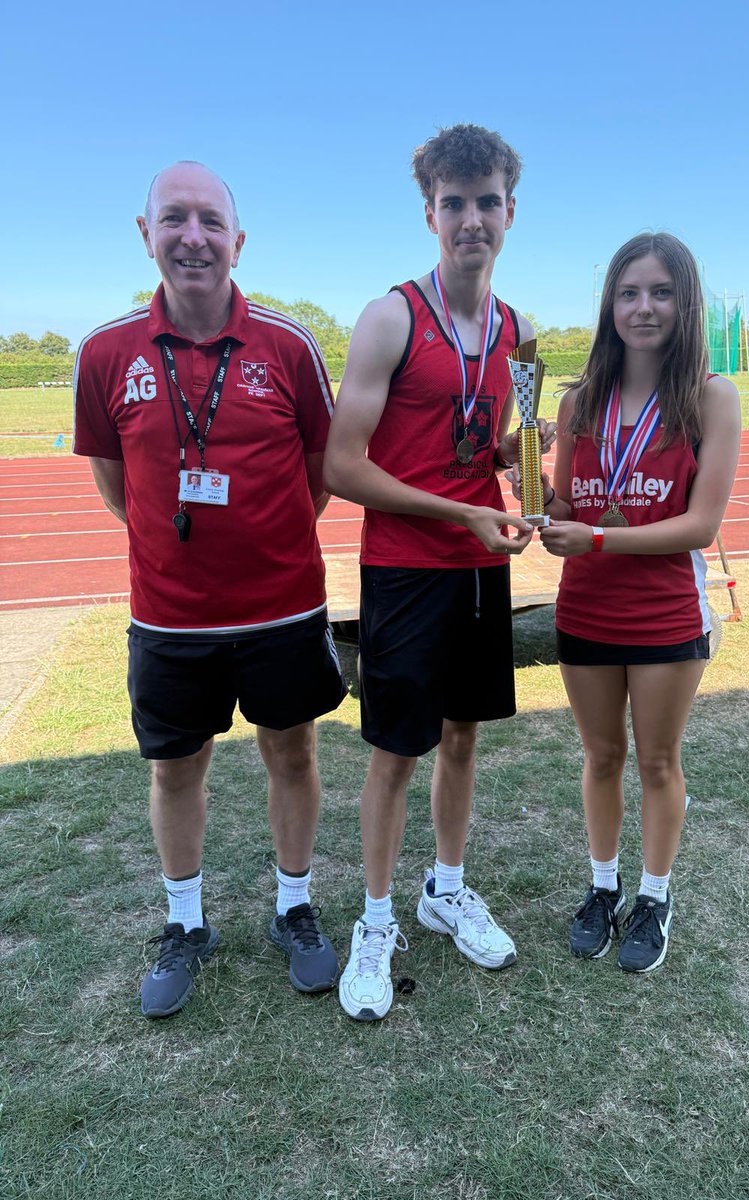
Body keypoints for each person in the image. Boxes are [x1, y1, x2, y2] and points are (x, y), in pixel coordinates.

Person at [73, 161, 347, 1018]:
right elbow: (116, 484)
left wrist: (261, 544)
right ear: (146, 232)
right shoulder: (107, 352)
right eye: (174, 219)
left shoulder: (288, 345)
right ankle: (184, 922)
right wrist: (175, 546)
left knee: (291, 753)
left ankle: (294, 906)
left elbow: (318, 474)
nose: (193, 236)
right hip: (169, 617)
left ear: (238, 239)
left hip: (283, 607)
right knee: (176, 769)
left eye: (210, 220)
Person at [324, 124, 552, 1020]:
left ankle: (444, 889)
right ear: (430, 213)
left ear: (509, 213)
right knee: (395, 752)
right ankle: (376, 918)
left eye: (486, 201)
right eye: (453, 203)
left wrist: (531, 475)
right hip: (407, 569)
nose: (471, 219)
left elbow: (509, 442)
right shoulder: (390, 318)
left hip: (479, 566)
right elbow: (345, 466)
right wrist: (461, 509)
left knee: (464, 737)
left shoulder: (522, 332)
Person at [524, 232, 740, 973]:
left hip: (664, 614)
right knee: (599, 755)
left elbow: (700, 525)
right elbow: (565, 503)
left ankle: (654, 895)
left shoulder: (710, 397)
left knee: (656, 761)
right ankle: (602, 885)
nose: (643, 307)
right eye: (628, 292)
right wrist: (524, 478)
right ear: (609, 304)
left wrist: (598, 542)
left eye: (659, 292)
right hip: (584, 609)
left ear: (685, 302)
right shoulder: (580, 399)